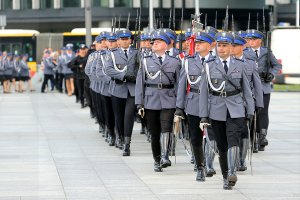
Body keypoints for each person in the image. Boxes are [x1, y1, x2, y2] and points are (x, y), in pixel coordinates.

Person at [199, 32, 254, 190]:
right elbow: (204, 93)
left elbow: (247, 91)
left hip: (236, 108)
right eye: (219, 45)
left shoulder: (241, 65)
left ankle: (232, 172)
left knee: (233, 139)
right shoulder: (209, 65)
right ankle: (225, 176)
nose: (221, 49)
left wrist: (249, 110)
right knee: (222, 145)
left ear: (232, 47)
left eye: (225, 45)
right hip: (216, 108)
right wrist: (203, 115)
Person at [135, 30, 180, 172]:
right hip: (151, 99)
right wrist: (139, 103)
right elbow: (140, 83)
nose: (154, 44)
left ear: (166, 45)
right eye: (154, 42)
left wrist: (179, 105)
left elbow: (179, 83)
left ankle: (165, 156)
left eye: (158, 42)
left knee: (166, 128)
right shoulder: (146, 61)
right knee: (154, 132)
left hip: (168, 98)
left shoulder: (175, 61)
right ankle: (157, 159)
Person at [175, 31, 215, 181]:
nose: (197, 45)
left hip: (212, 102)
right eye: (196, 43)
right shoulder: (188, 61)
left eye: (200, 43)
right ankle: (200, 167)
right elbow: (182, 85)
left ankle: (209, 164)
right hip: (193, 101)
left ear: (210, 45)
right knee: (196, 137)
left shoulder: (216, 60)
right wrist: (179, 107)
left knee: (211, 136)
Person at [244, 29, 282, 151]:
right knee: (250, 113)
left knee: (263, 112)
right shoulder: (244, 52)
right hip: (250, 86)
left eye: (253, 39)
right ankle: (251, 138)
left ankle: (262, 137)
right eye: (249, 39)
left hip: (264, 86)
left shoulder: (266, 52)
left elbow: (277, 65)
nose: (250, 41)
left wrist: (271, 74)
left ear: (260, 40)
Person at [231, 34, 264, 171]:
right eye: (231, 45)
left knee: (244, 131)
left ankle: (241, 159)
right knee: (232, 131)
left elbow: (257, 85)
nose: (232, 48)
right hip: (229, 101)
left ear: (243, 47)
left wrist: (259, 104)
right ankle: (232, 158)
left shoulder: (250, 63)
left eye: (235, 46)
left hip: (244, 102)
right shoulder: (224, 62)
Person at [105, 29, 139, 156]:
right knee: (119, 116)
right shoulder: (112, 54)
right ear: (118, 41)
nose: (125, 41)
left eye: (127, 39)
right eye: (122, 39)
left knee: (128, 115)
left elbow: (140, 67)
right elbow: (108, 69)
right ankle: (119, 136)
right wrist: (123, 76)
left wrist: (134, 76)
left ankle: (127, 144)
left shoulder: (136, 52)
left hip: (132, 90)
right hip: (118, 89)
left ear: (130, 40)